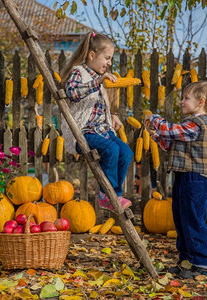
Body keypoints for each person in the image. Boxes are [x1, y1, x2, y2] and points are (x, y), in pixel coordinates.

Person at [144, 81, 207, 279]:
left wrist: (155, 118)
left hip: (196, 178)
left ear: (201, 102)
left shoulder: (197, 123)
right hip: (183, 176)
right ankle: (186, 261)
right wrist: (155, 135)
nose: (182, 101)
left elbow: (169, 129)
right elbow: (170, 145)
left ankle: (203, 263)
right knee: (181, 218)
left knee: (193, 219)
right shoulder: (188, 125)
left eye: (186, 98)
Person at [60, 32, 133, 211]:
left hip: (103, 130)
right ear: (92, 55)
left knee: (126, 152)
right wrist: (98, 81)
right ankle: (106, 195)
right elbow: (72, 93)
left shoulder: (100, 77)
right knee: (112, 149)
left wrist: (113, 115)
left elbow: (100, 104)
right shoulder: (79, 72)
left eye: (110, 59)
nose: (109, 63)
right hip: (84, 132)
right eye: (106, 58)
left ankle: (115, 192)